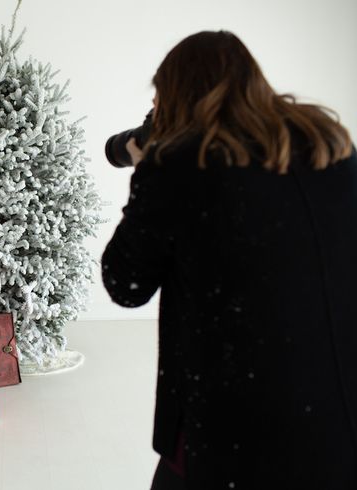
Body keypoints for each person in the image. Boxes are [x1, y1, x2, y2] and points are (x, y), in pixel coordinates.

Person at [102, 31, 356, 490]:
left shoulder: (179, 165)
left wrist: (147, 164)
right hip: (337, 407)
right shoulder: (331, 148)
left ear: (176, 95)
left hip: (235, 426)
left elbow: (125, 284)